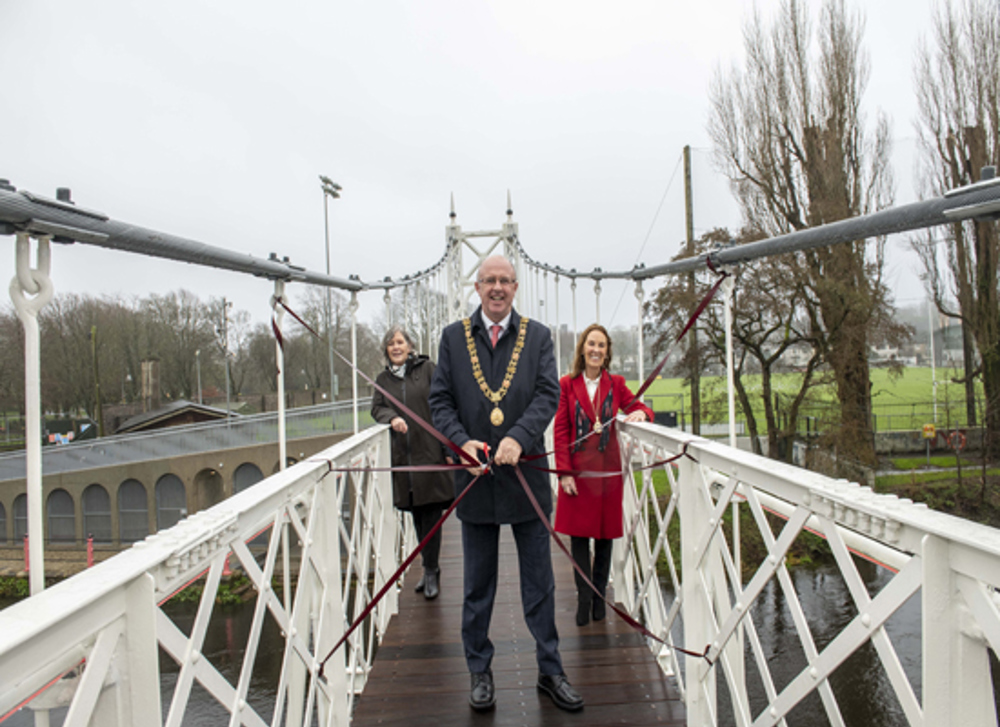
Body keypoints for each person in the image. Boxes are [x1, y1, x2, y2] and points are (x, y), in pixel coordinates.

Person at [429, 255, 584, 713]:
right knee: (477, 587)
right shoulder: (452, 338)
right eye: (489, 280)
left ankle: (550, 670)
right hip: (474, 481)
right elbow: (440, 400)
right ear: (476, 287)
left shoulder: (537, 336)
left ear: (516, 287)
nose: (497, 287)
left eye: (505, 280)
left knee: (540, 584)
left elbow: (547, 394)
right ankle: (480, 671)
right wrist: (460, 443)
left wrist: (518, 436)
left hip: (527, 477)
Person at [553, 323, 653, 626]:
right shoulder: (567, 385)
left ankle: (599, 600)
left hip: (607, 473)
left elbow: (640, 407)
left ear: (607, 352)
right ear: (583, 348)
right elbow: (560, 430)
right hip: (579, 473)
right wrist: (564, 473)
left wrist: (641, 414)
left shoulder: (616, 383)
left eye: (601, 346)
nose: (596, 350)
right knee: (580, 539)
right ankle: (584, 599)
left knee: (605, 539)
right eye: (591, 344)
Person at [371, 326, 454, 600]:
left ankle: (431, 570)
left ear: (410, 347)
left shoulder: (427, 369)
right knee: (418, 515)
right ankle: (429, 568)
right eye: (391, 343)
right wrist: (391, 417)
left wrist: (447, 446)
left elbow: (444, 403)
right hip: (403, 456)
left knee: (431, 514)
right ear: (386, 349)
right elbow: (377, 407)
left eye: (400, 342)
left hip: (429, 451)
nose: (396, 347)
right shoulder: (383, 379)